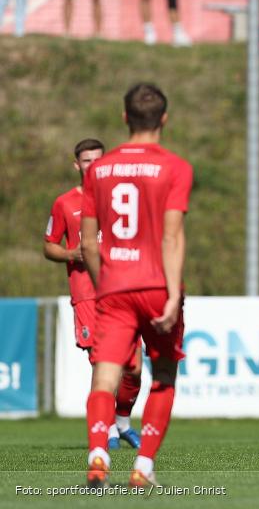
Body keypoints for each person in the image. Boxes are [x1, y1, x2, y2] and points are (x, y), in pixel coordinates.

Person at [81, 83, 193, 488]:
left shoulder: (99, 169)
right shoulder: (175, 166)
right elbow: (171, 237)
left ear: (124, 116)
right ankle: (143, 466)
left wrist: (104, 285)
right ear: (164, 118)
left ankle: (97, 450)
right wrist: (174, 294)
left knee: (104, 377)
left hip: (115, 286)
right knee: (163, 373)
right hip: (157, 285)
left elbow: (87, 241)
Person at [44, 139, 143, 451]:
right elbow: (49, 246)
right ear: (78, 165)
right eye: (87, 161)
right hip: (87, 295)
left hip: (122, 290)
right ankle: (107, 432)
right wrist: (72, 253)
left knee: (134, 368)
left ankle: (123, 422)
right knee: (103, 364)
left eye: (98, 159)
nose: (93, 165)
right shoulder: (64, 203)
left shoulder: (122, 199)